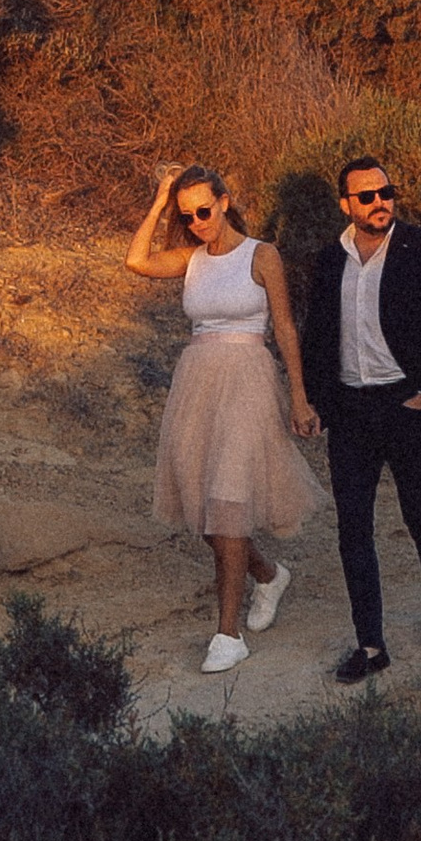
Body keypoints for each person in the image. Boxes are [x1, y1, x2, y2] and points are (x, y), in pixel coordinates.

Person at [126, 163, 322, 673]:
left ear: (224, 201)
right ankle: (269, 575)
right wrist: (160, 199)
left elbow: (285, 328)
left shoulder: (261, 255)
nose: (197, 222)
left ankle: (227, 634)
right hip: (197, 383)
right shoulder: (190, 258)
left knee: (229, 502)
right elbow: (136, 260)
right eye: (187, 215)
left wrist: (299, 398)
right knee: (204, 510)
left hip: (248, 379)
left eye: (204, 210)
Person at [298, 155, 421, 682]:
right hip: (351, 411)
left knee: (420, 515)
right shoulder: (331, 259)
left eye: (386, 192)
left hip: (405, 404)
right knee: (353, 529)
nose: (380, 203)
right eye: (367, 196)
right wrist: (314, 401)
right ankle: (371, 646)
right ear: (346, 204)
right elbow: (317, 337)